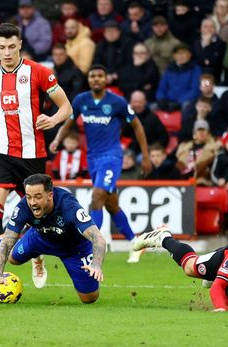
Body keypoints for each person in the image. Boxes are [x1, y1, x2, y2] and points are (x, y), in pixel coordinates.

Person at [0, 23, 73, 286]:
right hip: (0, 151)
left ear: (20, 44)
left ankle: (37, 257)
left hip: (32, 155)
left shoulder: (39, 72)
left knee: (39, 216)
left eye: (11, 46)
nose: (6, 52)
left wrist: (53, 120)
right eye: (1, 47)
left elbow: (66, 107)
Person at [50, 65, 151, 262]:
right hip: (93, 158)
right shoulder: (81, 100)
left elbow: (137, 125)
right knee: (111, 204)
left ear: (106, 79)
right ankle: (135, 242)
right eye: (92, 76)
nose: (96, 79)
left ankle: (92, 246)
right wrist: (57, 140)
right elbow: (68, 123)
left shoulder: (117, 102)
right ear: (89, 80)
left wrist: (145, 156)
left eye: (99, 76)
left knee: (96, 196)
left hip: (112, 157)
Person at [0, 174, 106, 304]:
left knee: (89, 298)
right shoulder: (22, 208)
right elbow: (8, 242)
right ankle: (7, 244)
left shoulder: (68, 206)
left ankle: (35, 254)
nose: (32, 202)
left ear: (50, 195)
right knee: (12, 259)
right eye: (29, 197)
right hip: (40, 238)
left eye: (38, 197)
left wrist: (96, 264)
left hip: (75, 249)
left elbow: (98, 238)